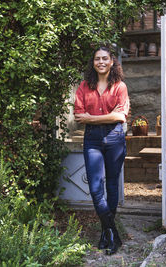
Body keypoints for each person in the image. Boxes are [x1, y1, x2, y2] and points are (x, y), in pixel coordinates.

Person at [74, 46, 129, 255]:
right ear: (93, 63)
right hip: (92, 140)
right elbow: (79, 116)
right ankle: (111, 231)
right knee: (96, 187)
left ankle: (107, 234)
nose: (101, 62)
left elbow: (120, 117)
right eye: (97, 59)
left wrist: (92, 118)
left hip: (114, 137)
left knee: (113, 184)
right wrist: (106, 116)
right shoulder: (84, 86)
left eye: (105, 58)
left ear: (112, 61)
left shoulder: (120, 86)